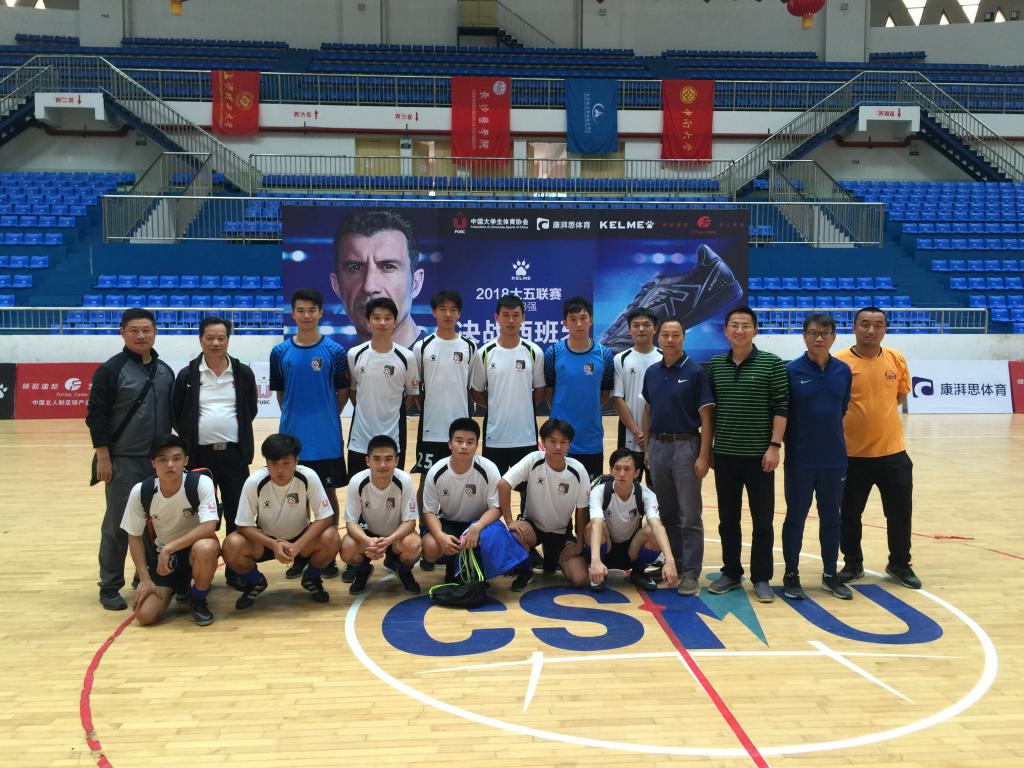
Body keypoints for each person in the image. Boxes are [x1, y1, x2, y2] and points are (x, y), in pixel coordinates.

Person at [87, 307, 175, 611]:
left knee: (155, 523)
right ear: (122, 332)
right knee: (118, 524)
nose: (141, 336)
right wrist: (103, 457)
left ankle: (145, 576)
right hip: (123, 460)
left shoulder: (165, 371)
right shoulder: (111, 370)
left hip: (159, 463)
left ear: (155, 332)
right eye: (134, 330)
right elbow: (96, 417)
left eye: (146, 330)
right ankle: (110, 585)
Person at [706, 306, 789, 603]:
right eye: (734, 325)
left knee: (763, 521)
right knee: (727, 520)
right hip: (725, 456)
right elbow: (710, 411)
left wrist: (774, 446)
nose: (739, 330)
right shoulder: (716, 365)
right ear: (725, 330)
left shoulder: (772, 363)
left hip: (760, 458)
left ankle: (762, 578)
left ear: (755, 329)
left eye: (745, 325)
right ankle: (731, 572)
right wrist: (709, 448)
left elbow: (782, 407)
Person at [835, 307, 920, 589]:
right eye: (865, 324)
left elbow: (899, 397)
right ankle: (852, 562)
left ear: (885, 329)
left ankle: (899, 563)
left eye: (878, 325)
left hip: (893, 453)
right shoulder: (839, 363)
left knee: (899, 513)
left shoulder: (896, 359)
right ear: (854, 327)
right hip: (851, 455)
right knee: (849, 514)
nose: (871, 330)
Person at [171, 316, 258, 590]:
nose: (216, 343)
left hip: (234, 456)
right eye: (210, 338)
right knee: (197, 516)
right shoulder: (187, 375)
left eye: (221, 338)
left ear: (228, 340)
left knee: (237, 514)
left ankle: (235, 569)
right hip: (199, 457)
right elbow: (177, 414)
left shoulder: (242, 373)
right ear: (201, 340)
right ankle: (195, 572)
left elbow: (250, 409)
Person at [269, 288, 349, 580]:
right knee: (297, 499)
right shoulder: (280, 352)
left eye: (311, 310)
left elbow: (343, 391)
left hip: (326, 439)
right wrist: (295, 418)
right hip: (293, 441)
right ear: (293, 314)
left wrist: (325, 414)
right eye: (300, 310)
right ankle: (300, 554)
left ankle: (327, 555)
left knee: (327, 496)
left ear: (320, 313)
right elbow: (280, 393)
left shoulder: (335, 351)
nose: (306, 315)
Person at [781, 314, 854, 601]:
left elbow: (842, 408)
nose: (819, 338)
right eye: (813, 333)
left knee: (832, 519)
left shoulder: (843, 371)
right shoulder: (790, 371)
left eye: (825, 333)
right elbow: (783, 413)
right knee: (795, 518)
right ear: (804, 336)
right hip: (800, 460)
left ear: (834, 337)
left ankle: (830, 575)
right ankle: (791, 574)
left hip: (834, 460)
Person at [641, 317, 715, 596]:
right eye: (665, 335)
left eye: (675, 335)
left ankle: (692, 572)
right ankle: (676, 564)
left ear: (684, 338)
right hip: (658, 446)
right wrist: (647, 448)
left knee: (689, 514)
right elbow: (648, 410)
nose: (670, 340)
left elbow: (706, 417)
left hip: (686, 446)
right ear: (658, 338)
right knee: (668, 512)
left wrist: (704, 455)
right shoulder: (652, 372)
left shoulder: (695, 372)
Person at [223, 433, 340, 609]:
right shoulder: (254, 482)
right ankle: (255, 582)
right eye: (273, 463)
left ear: (296, 460)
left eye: (286, 463)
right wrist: (273, 544)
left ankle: (312, 578)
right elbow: (243, 524)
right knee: (231, 545)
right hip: (266, 541)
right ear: (266, 462)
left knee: (332, 537)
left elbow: (325, 516)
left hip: (301, 539)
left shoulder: (308, 476)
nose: (280, 470)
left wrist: (298, 545)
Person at [120, 434, 220, 627]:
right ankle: (180, 587)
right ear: (153, 463)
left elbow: (209, 526)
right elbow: (134, 536)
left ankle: (198, 599)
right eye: (162, 460)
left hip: (194, 551)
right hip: (165, 558)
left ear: (186, 461)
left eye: (176, 458)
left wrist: (169, 548)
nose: (170, 465)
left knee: (206, 547)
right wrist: (144, 579)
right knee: (145, 616)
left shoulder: (200, 483)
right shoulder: (141, 491)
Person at [498, 419, 590, 591]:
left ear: (569, 444)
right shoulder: (533, 459)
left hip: (560, 531)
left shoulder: (578, 470)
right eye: (552, 441)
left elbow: (582, 511)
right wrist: (509, 521)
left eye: (563, 442)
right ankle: (526, 570)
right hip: (532, 526)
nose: (558, 447)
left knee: (580, 579)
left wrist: (579, 544)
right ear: (543, 442)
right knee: (516, 534)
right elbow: (504, 484)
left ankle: (551, 555)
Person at [470, 294, 546, 476]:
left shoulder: (534, 352)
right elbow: (476, 392)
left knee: (528, 490)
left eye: (516, 315)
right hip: (495, 437)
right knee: (494, 488)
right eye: (505, 315)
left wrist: (522, 405)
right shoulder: (484, 353)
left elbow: (540, 391)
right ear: (496, 318)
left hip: (526, 436)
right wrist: (495, 405)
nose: (511, 320)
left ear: (523, 318)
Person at [420, 417, 503, 581]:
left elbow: (496, 507)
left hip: (479, 523)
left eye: (470, 442)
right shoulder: (436, 471)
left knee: (497, 540)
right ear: (450, 444)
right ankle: (452, 562)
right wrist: (440, 536)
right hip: (449, 522)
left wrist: (477, 527)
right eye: (459, 441)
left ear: (477, 445)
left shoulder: (489, 469)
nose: (464, 446)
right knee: (430, 547)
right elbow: (429, 511)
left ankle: (477, 566)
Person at [586, 448, 679, 592]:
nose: (622, 473)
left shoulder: (645, 495)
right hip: (606, 548)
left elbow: (657, 526)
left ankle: (638, 572)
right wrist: (595, 560)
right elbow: (596, 524)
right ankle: (598, 571)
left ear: (636, 473)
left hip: (631, 551)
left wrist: (670, 560)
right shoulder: (600, 491)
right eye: (617, 468)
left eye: (627, 469)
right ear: (611, 471)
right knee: (591, 527)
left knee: (653, 531)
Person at [332, 209, 425, 349]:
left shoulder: (444, 359)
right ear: (337, 285)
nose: (369, 286)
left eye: (388, 266)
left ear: (416, 284)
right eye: (355, 268)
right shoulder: (335, 361)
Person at [544, 296, 614, 480]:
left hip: (591, 439)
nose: (579, 324)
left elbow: (605, 393)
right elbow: (549, 392)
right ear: (565, 323)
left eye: (583, 318)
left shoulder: (604, 355)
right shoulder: (553, 353)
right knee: (558, 492)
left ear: (591, 320)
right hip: (559, 439)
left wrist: (587, 410)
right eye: (573, 319)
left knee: (590, 492)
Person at [346, 296, 420, 472]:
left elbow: (411, 394)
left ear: (394, 322)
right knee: (358, 485)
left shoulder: (407, 357)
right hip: (360, 439)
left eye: (387, 318)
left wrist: (392, 412)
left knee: (392, 486)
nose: (382, 323)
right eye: (376, 318)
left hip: (393, 438)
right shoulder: (354, 354)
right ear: (368, 321)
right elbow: (353, 391)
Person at [342, 434, 422, 595]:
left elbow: (410, 522)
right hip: (368, 536)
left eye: (388, 459)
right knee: (347, 548)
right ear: (367, 461)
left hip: (395, 536)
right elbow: (351, 523)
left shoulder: (404, 480)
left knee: (413, 545)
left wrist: (388, 541)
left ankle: (403, 571)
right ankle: (363, 571)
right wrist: (368, 541)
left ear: (396, 461)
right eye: (376, 459)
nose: (383, 465)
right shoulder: (357, 481)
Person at [609, 307, 662, 481]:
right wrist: (637, 431)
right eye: (636, 325)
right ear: (629, 329)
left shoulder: (664, 358)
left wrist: (649, 435)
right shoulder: (620, 359)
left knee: (657, 489)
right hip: (630, 436)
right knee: (628, 487)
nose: (641, 329)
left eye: (646, 325)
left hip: (658, 437)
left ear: (655, 328)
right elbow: (617, 398)